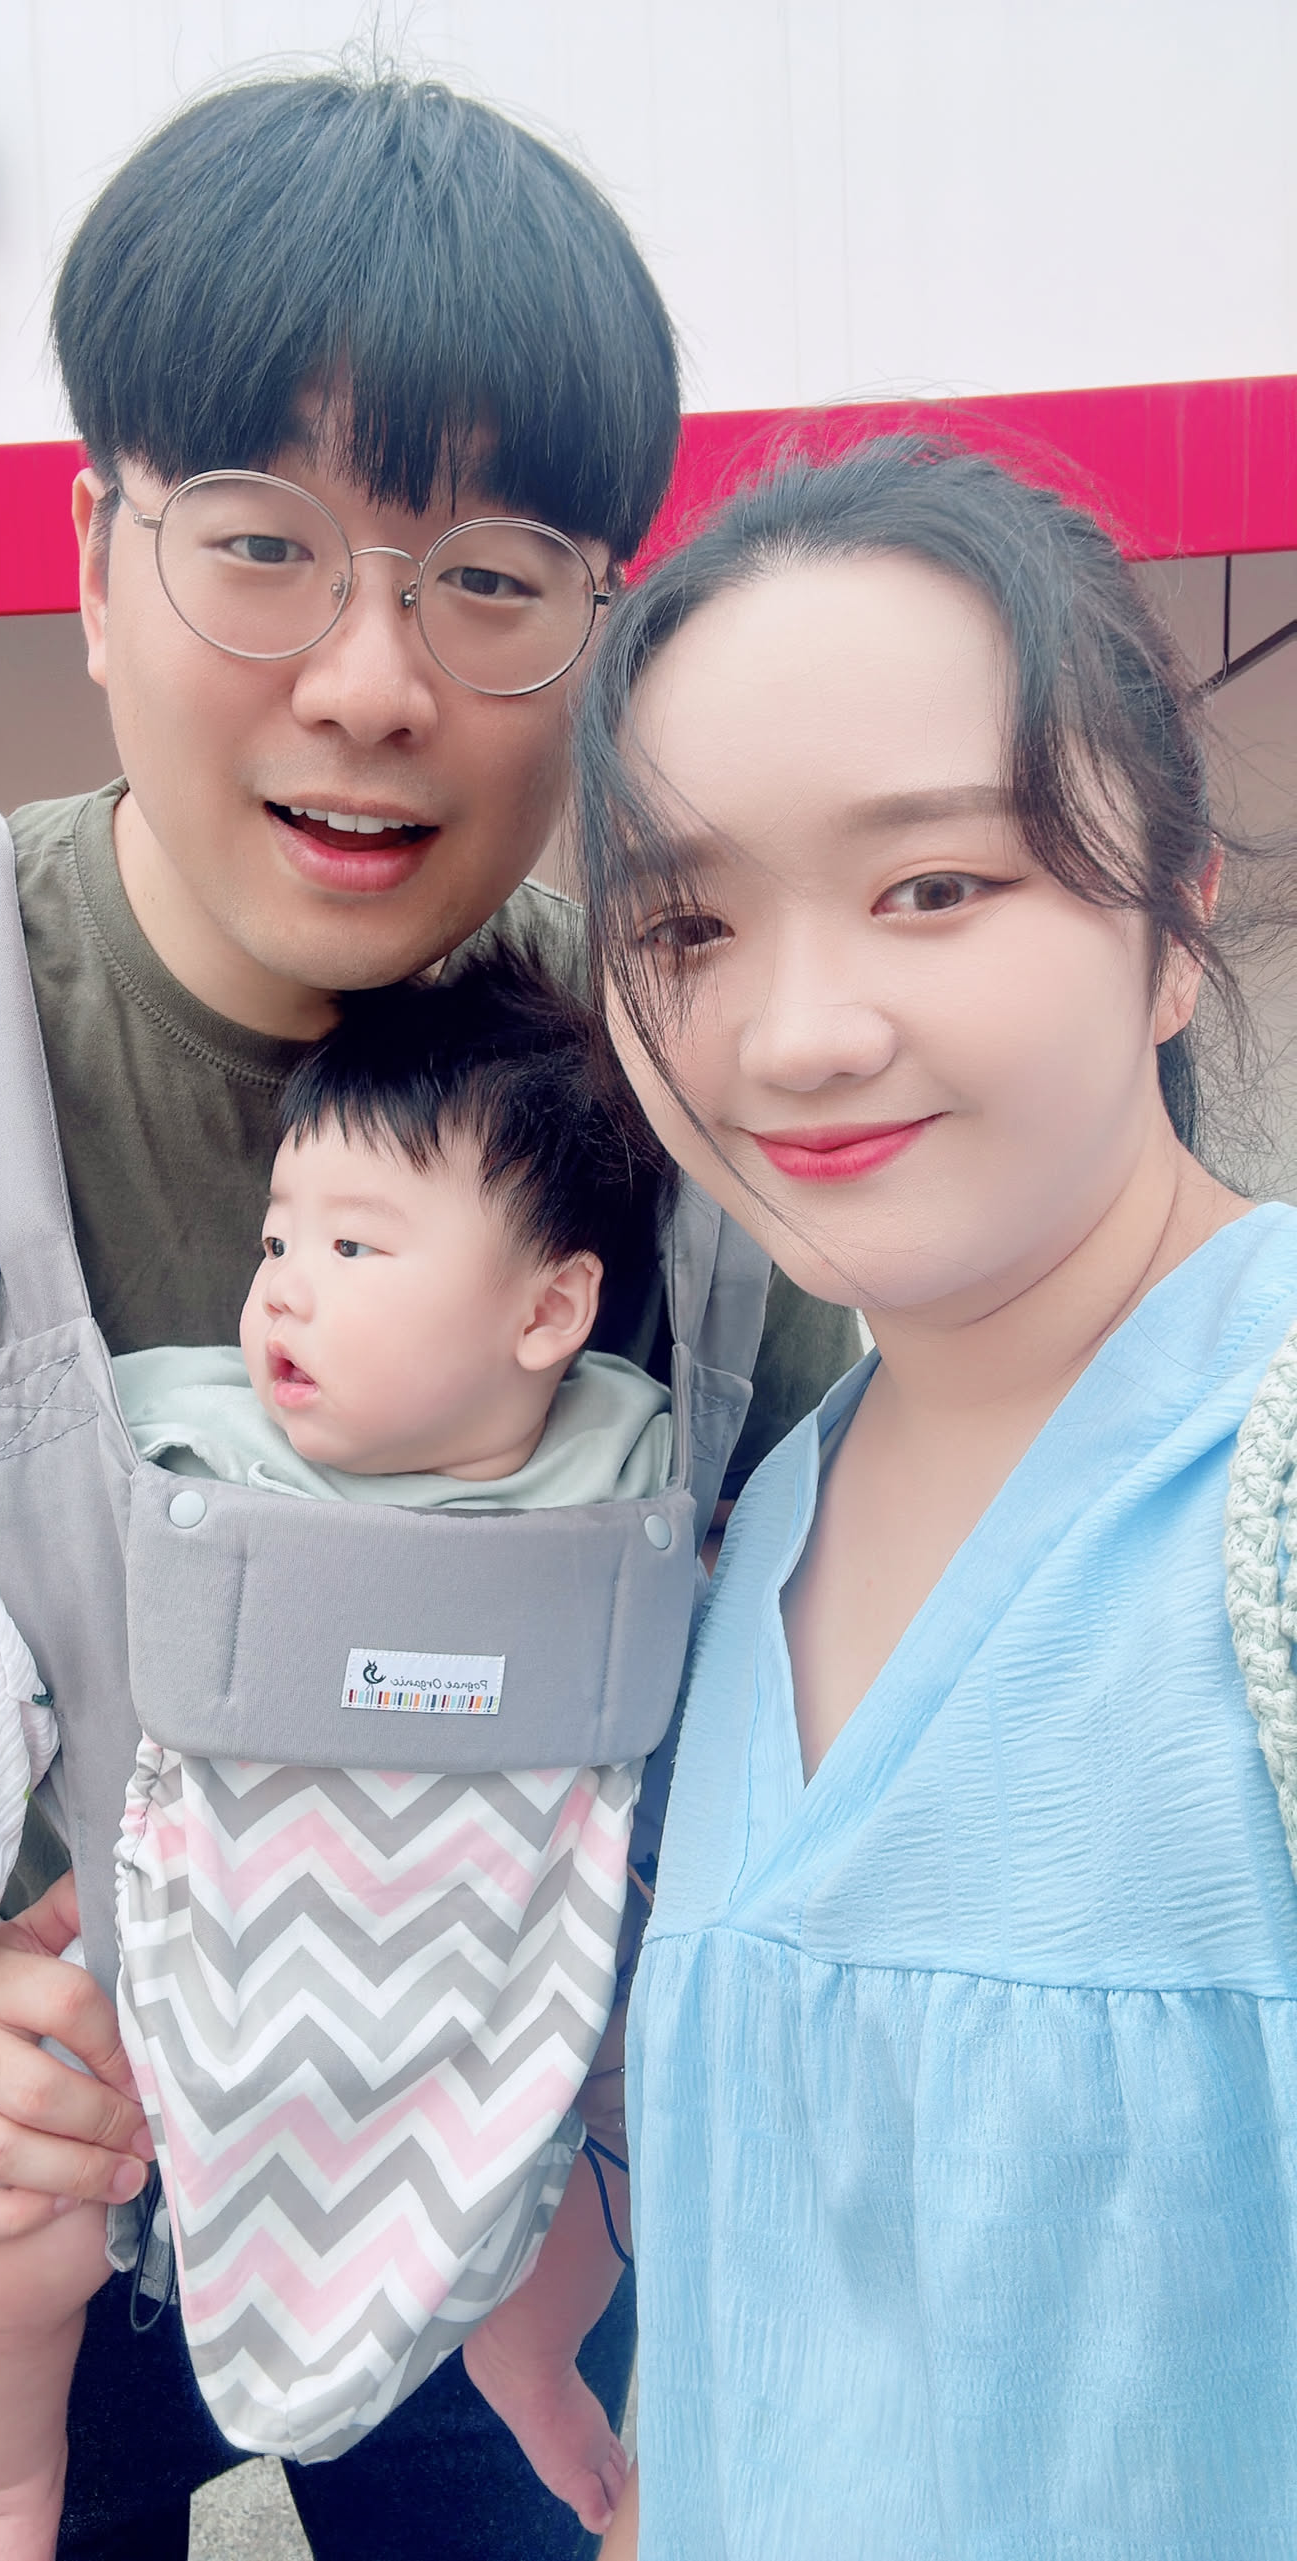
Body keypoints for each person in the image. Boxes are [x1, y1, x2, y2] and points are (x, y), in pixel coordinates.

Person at [0, 71, 855, 2561]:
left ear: (601, 632)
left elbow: (849, 1662)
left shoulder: (690, 1099)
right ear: (96, 565)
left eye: (491, 579)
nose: (373, 680)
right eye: (261, 546)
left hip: (492, 2179)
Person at [574, 439, 1297, 2559]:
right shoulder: (763, 1522)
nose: (796, 1036)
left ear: (1174, 919)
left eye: (936, 886)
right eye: (688, 923)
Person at [0, 960, 674, 2560]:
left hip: (491, 2000)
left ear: (548, 1312)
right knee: (4, 2262)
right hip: (184, 1975)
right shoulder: (184, 1439)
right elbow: (3, 1612)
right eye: (278, 1240)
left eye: (353, 1247)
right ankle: (10, 2488)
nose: (283, 1290)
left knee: (590, 2194)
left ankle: (534, 2374)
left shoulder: (626, 1454)